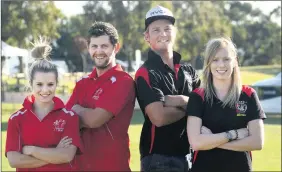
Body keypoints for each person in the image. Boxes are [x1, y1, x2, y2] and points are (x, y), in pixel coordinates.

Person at [135, 5, 201, 172]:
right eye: (156, 30)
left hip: (190, 154)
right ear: (146, 36)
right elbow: (159, 117)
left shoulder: (189, 71)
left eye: (167, 28)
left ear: (175, 32)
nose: (163, 34)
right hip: (158, 159)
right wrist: (191, 106)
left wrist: (179, 100)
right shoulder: (145, 72)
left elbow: (205, 107)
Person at [186, 37, 266, 172]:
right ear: (208, 64)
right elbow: (196, 142)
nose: (221, 65)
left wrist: (211, 141)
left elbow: (257, 142)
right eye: (215, 60)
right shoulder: (197, 96)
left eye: (226, 59)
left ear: (235, 61)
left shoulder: (248, 94)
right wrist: (234, 134)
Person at [5, 36, 83, 171]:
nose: (45, 90)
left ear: (57, 84)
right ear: (31, 84)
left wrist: (32, 150)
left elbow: (66, 156)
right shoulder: (16, 119)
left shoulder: (70, 117)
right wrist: (54, 154)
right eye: (39, 84)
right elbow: (14, 160)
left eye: (50, 84)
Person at [66, 21, 136, 171]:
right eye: (94, 46)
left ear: (115, 47)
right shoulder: (82, 83)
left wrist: (77, 110)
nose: (99, 51)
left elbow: (94, 120)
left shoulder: (123, 81)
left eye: (104, 46)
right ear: (89, 48)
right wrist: (82, 116)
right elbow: (65, 121)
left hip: (113, 166)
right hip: (80, 166)